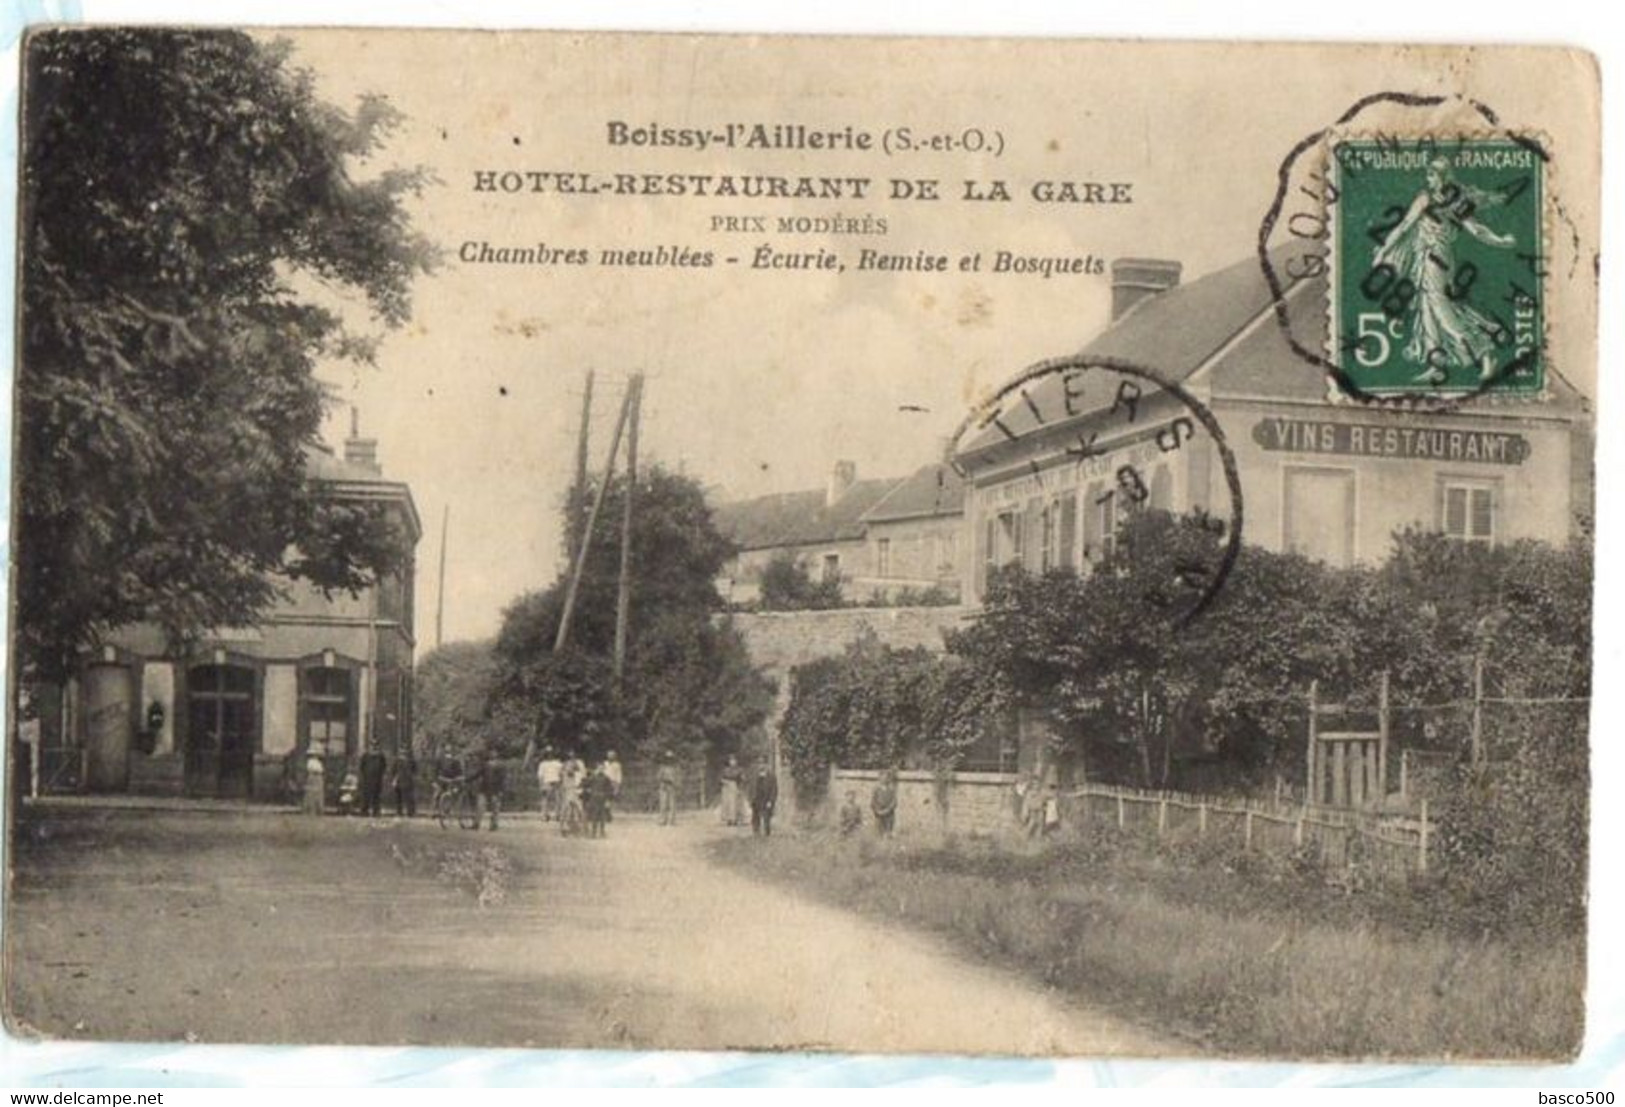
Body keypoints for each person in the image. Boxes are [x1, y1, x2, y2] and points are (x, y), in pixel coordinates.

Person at [1371, 156, 1518, 384]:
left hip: (1436, 260)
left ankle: (1485, 353)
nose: (1428, 179)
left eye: (1432, 175)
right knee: (1427, 311)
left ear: (1443, 177)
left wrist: (1500, 241)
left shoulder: (1444, 201)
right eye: (1428, 174)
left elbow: (1476, 230)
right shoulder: (1435, 199)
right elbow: (1404, 227)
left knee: (1442, 311)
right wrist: (1384, 250)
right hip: (1426, 259)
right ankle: (1437, 366)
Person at [473, 747, 505, 831]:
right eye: (491, 753)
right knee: (480, 806)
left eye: (494, 753)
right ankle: (477, 823)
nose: (492, 755)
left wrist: (501, 790)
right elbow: (477, 774)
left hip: (494, 789)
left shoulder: (499, 766)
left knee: (494, 808)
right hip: (485, 789)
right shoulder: (485, 765)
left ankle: (493, 825)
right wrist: (467, 779)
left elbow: (502, 779)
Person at [583, 763, 614, 839]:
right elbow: (586, 784)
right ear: (596, 769)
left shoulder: (606, 778)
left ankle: (602, 832)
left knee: (603, 816)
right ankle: (593, 832)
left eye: (602, 768)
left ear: (604, 769)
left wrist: (608, 800)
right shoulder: (593, 777)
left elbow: (610, 789)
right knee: (594, 816)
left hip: (602, 798)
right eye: (599, 768)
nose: (600, 770)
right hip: (594, 798)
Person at [358, 741, 386, 819]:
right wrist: (365, 775)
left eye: (375, 745)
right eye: (372, 745)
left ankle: (376, 811)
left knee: (376, 796)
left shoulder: (380, 756)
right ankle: (364, 811)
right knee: (366, 796)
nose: (374, 747)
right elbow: (362, 767)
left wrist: (380, 775)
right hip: (367, 779)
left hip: (377, 779)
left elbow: (383, 767)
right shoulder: (366, 755)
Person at [750, 764, 778, 837]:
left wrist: (771, 801)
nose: (761, 773)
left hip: (766, 799)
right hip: (757, 798)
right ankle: (756, 832)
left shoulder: (771, 777)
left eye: (763, 770)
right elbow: (751, 788)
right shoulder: (755, 776)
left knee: (766, 816)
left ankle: (767, 832)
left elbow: (774, 790)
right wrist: (751, 799)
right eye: (760, 771)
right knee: (755, 816)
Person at [871, 769, 898, 837]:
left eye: (886, 777)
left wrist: (888, 809)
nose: (884, 779)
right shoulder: (876, 789)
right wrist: (878, 811)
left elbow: (894, 801)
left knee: (888, 832)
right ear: (879, 778)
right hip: (879, 814)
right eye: (882, 777)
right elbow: (873, 802)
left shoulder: (891, 789)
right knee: (879, 832)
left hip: (889, 814)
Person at [718, 755, 744, 826]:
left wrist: (739, 786)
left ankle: (736, 819)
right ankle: (728, 819)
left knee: (735, 803)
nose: (733, 762)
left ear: (736, 761)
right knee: (727, 804)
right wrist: (725, 782)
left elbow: (742, 779)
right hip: (727, 788)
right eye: (731, 760)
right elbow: (720, 779)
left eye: (734, 760)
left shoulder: (739, 769)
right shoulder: (725, 770)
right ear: (729, 762)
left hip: (735, 787)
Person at [537, 747, 562, 820]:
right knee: (545, 799)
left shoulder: (557, 763)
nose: (549, 755)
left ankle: (557, 814)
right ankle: (545, 815)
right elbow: (540, 775)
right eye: (548, 754)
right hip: (547, 782)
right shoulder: (543, 764)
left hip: (556, 782)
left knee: (557, 799)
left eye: (551, 753)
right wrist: (541, 785)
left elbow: (561, 774)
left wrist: (561, 782)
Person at [391, 749, 417, 818]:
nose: (403, 755)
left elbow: (415, 769)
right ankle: (399, 812)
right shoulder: (397, 761)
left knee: (409, 798)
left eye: (404, 753)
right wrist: (394, 779)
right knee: (398, 798)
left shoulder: (411, 761)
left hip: (408, 781)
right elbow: (393, 770)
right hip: (399, 781)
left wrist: (412, 776)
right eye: (402, 753)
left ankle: (410, 812)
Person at [656, 751, 679, 826]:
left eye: (670, 758)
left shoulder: (675, 768)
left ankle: (672, 820)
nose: (669, 760)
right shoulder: (662, 767)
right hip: (664, 786)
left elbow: (677, 777)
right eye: (667, 758)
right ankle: (663, 820)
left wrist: (676, 784)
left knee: (672, 804)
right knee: (663, 804)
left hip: (672, 786)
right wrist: (663, 781)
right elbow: (658, 777)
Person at [302, 746, 326, 816]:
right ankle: (311, 810)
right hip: (313, 777)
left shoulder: (318, 762)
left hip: (318, 777)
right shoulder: (311, 762)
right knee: (311, 794)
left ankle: (318, 809)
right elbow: (313, 770)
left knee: (318, 794)